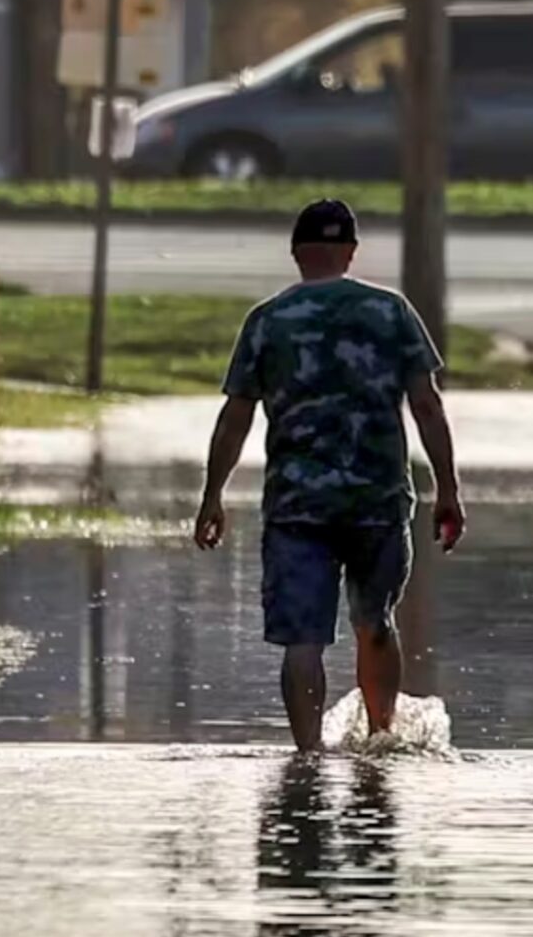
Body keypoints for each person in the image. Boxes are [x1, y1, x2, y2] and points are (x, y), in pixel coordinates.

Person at [193, 199, 466, 753]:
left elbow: (236, 417)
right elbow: (427, 406)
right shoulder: (392, 313)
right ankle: (381, 742)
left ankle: (308, 757)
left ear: (297, 254)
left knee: (302, 640)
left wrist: (212, 496)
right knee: (376, 621)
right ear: (352, 252)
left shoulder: (267, 321)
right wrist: (448, 491)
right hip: (378, 500)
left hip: (297, 507)